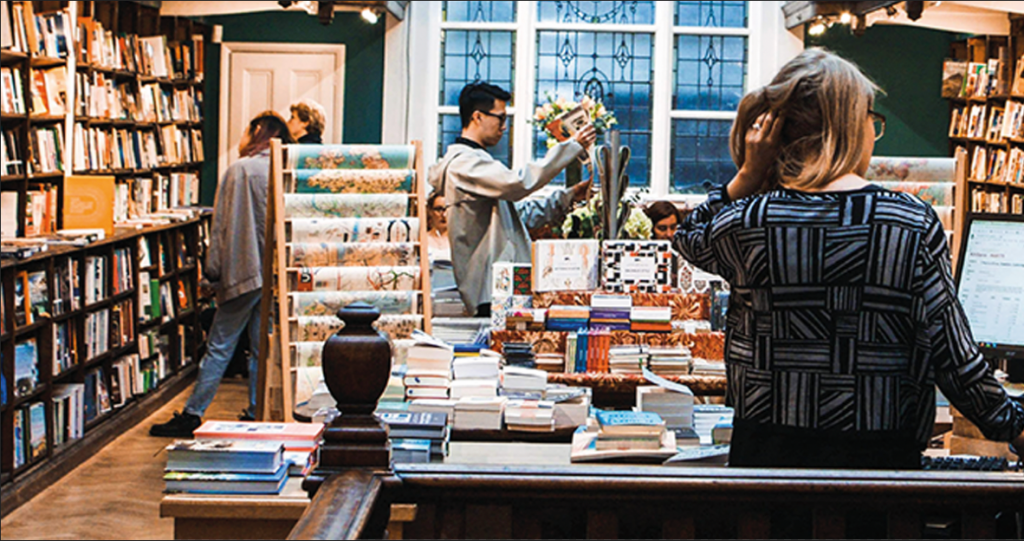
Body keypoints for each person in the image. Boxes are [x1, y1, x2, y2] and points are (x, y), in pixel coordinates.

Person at [673, 48, 1024, 469]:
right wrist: (1012, 426)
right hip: (879, 464)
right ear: (851, 127)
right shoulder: (908, 223)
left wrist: (748, 174)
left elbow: (689, 238)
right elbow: (953, 356)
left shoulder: (749, 220)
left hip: (765, 464)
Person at [150, 111, 297, 438]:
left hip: (243, 271)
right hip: (276, 274)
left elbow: (222, 228)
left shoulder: (239, 171)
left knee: (220, 344)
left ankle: (193, 413)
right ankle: (256, 411)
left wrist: (212, 274)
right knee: (262, 348)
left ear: (257, 132)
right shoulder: (286, 168)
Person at [429, 82, 597, 317]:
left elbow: (519, 214)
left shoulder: (477, 161)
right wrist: (571, 147)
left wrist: (569, 196)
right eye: (500, 118)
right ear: (477, 116)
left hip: (503, 285)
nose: (504, 127)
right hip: (490, 289)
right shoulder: (463, 165)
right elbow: (519, 183)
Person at [426, 190, 451, 263]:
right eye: (439, 209)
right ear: (430, 211)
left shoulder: (458, 241)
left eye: (447, 209)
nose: (444, 215)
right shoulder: (422, 239)